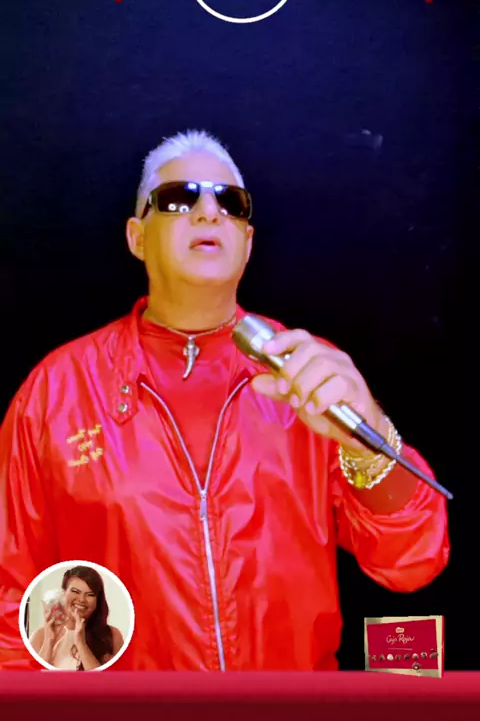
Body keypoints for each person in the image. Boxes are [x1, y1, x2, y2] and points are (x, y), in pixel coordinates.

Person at [0, 130, 449, 672]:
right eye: (178, 198)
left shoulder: (309, 374)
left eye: (230, 203)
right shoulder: (57, 392)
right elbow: (11, 607)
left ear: (248, 241)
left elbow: (412, 560)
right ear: (137, 237)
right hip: (126, 711)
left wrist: (367, 435)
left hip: (287, 708)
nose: (209, 212)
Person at [29, 565, 123, 670]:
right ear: (63, 593)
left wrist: (80, 642)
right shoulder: (40, 636)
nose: (82, 599)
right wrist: (49, 642)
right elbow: (34, 677)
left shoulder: (111, 636)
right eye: (75, 591)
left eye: (90, 594)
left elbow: (102, 679)